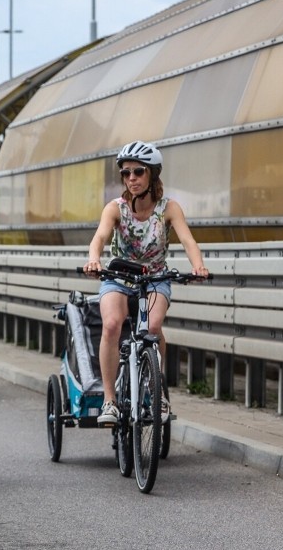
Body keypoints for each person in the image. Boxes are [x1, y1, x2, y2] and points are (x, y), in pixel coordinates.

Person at [83, 141, 209, 427]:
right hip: (118, 276)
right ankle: (110, 401)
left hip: (155, 278)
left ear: (152, 174)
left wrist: (197, 266)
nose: (132, 179)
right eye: (126, 173)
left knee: (152, 328)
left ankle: (158, 393)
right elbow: (100, 238)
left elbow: (188, 240)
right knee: (113, 324)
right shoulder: (116, 208)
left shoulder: (168, 208)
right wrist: (94, 260)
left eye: (138, 172)